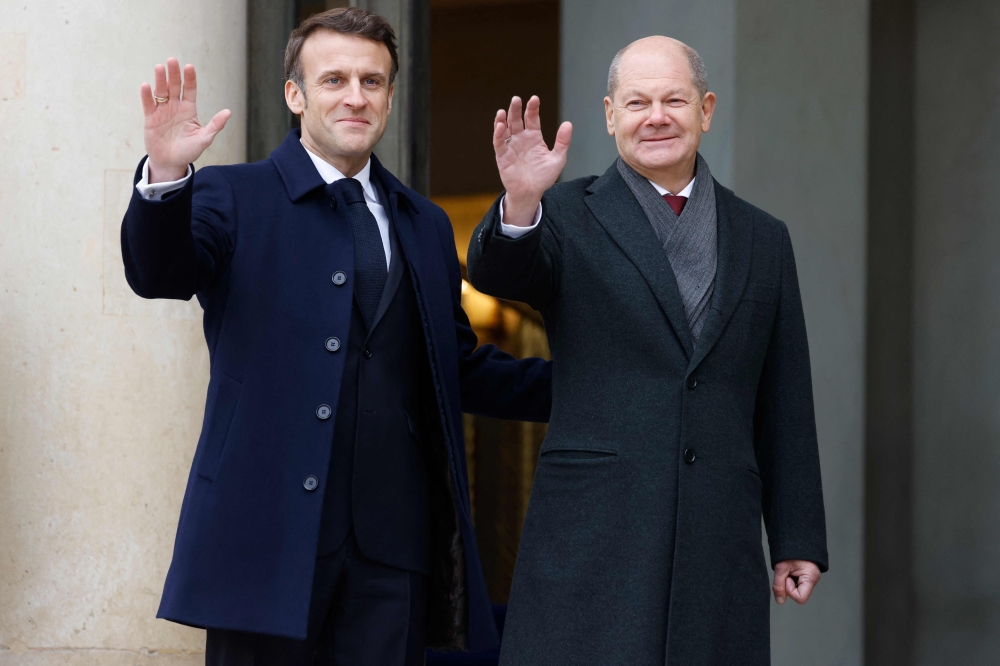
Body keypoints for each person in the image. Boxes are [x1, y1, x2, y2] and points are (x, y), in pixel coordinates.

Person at [122, 7, 550, 665]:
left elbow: (454, 367)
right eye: (334, 80)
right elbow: (159, 273)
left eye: (373, 81)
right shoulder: (233, 196)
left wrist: (588, 383)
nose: (356, 96)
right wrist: (166, 180)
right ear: (295, 95)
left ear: (390, 95)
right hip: (264, 543)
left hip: (394, 550)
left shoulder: (426, 224)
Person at [467, 36, 827, 665]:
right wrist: (521, 201)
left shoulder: (763, 238)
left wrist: (796, 535)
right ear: (610, 116)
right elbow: (502, 273)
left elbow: (784, 396)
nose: (655, 116)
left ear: (706, 110)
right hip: (594, 534)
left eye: (674, 100)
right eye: (636, 102)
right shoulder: (567, 214)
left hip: (717, 533)